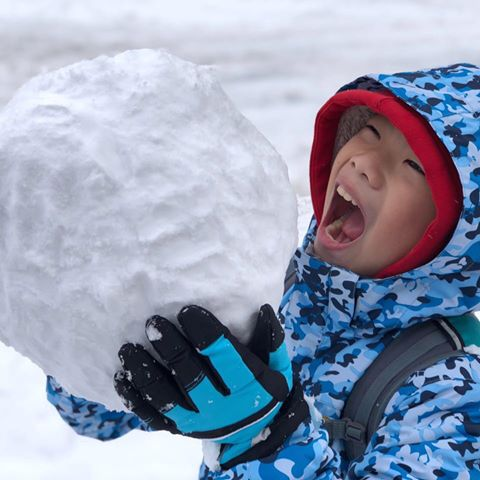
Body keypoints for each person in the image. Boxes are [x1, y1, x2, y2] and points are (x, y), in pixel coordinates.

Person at [47, 63, 480, 478]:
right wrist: (99, 331)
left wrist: (262, 442)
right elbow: (97, 417)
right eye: (370, 132)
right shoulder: (277, 285)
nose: (364, 162)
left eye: (414, 166)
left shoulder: (453, 393)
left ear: (455, 238)